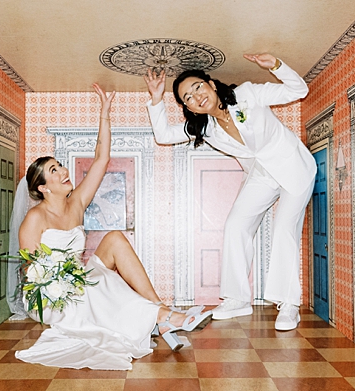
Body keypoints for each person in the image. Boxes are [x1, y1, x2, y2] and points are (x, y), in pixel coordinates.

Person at [11, 87, 209, 371]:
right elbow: (31, 272)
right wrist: (61, 283)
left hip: (77, 279)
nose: (63, 171)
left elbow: (101, 159)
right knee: (98, 283)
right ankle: (166, 318)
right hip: (52, 295)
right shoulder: (35, 219)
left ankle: (161, 312)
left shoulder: (76, 201)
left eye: (60, 165)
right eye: (54, 170)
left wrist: (104, 113)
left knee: (115, 238)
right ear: (43, 188)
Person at [147, 53, 316, 331]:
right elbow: (163, 136)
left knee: (284, 227)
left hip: (294, 167)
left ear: (211, 84)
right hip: (261, 174)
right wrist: (156, 98)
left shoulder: (247, 94)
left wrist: (275, 65)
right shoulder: (206, 128)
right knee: (236, 225)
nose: (196, 97)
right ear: (189, 108)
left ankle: (288, 305)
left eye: (198, 87)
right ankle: (237, 299)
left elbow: (299, 90)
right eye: (187, 98)